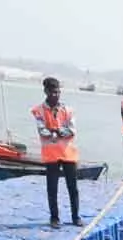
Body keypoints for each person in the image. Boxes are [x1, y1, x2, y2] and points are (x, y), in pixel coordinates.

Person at [32, 78, 81, 229]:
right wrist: (59, 132)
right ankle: (54, 218)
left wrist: (56, 131)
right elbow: (42, 131)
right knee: (52, 188)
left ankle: (75, 217)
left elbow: (72, 131)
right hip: (51, 155)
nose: (56, 95)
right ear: (46, 92)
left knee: (73, 187)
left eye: (58, 92)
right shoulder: (39, 110)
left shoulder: (67, 110)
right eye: (53, 92)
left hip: (68, 154)